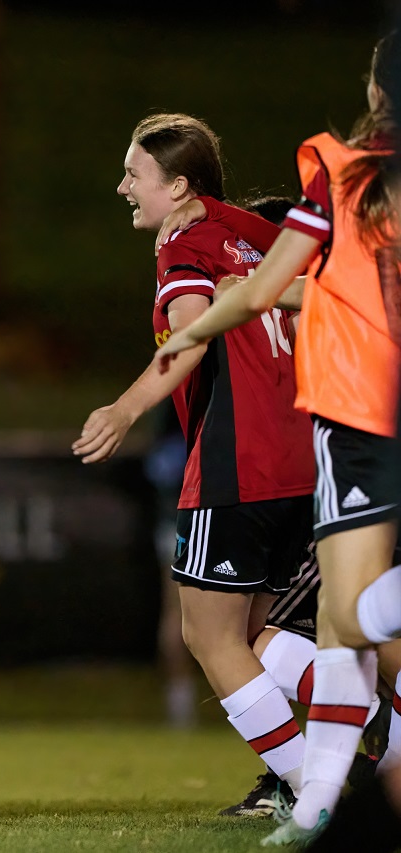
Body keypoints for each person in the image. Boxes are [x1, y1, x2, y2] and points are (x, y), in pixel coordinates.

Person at [157, 34, 401, 845]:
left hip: (362, 418)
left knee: (351, 619)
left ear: (377, 90)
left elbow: (265, 286)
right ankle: (325, 802)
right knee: (344, 626)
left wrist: (177, 346)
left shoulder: (343, 172)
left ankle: (318, 798)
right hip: (349, 429)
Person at [73, 113, 317, 816]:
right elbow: (325, 294)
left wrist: (123, 408)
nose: (123, 186)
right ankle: (305, 771)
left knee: (207, 637)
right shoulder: (260, 232)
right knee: (267, 644)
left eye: (135, 174)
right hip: (307, 460)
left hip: (237, 464)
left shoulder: (185, 243)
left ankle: (316, 788)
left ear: (178, 186)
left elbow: (189, 341)